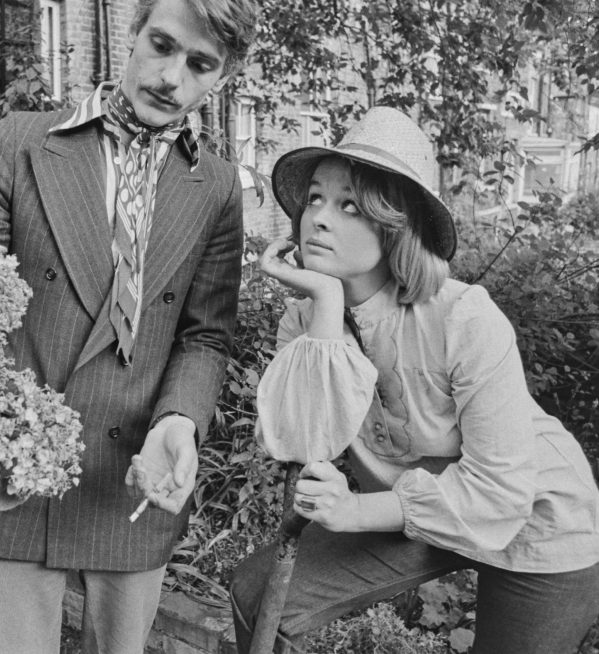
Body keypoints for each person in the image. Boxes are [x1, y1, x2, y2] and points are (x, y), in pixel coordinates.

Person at [0, 0, 258, 654]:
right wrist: (9, 419)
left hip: (130, 481)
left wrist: (180, 421)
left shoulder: (219, 188)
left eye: (200, 64)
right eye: (164, 45)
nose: (172, 78)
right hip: (16, 474)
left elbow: (205, 335)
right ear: (133, 28)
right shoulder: (22, 142)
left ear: (221, 78)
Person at [229, 107, 599, 654]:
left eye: (349, 204)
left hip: (537, 520)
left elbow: (500, 491)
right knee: (259, 594)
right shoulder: (306, 320)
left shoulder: (464, 317)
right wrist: (327, 305)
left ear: (395, 223)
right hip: (415, 506)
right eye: (314, 198)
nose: (319, 218)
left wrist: (354, 510)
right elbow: (298, 444)